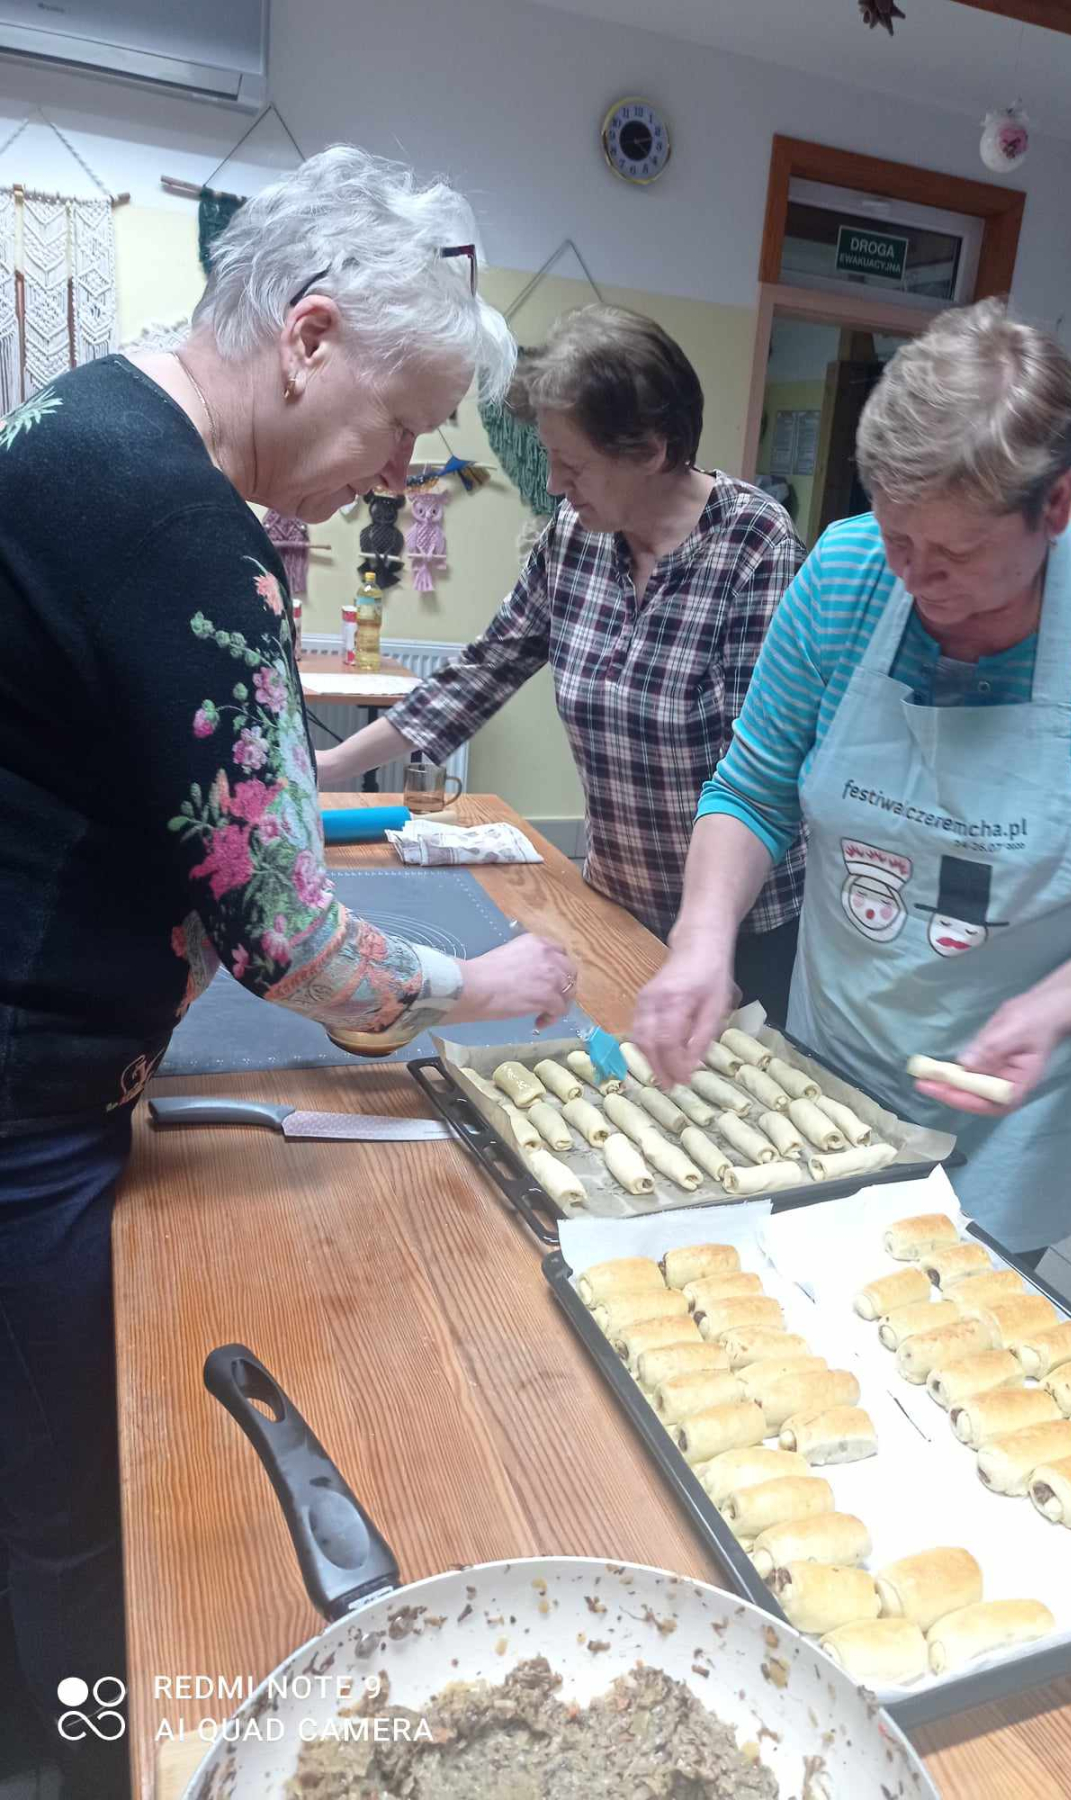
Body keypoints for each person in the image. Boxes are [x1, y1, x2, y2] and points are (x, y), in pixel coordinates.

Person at [0, 146, 575, 1796]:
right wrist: (486, 987)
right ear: (309, 337)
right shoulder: (185, 524)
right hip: (27, 1093)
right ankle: (91, 1762)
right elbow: (285, 932)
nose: (394, 474)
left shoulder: (76, 417)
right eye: (397, 426)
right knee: (75, 1506)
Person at [635, 298, 1071, 1262]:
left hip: (1013, 1110)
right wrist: (702, 939)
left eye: (959, 555)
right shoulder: (847, 574)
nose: (918, 581)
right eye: (899, 538)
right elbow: (752, 788)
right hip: (831, 1062)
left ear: (1055, 505)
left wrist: (1055, 1008)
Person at [318, 305, 806, 1021]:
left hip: (740, 927)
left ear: (652, 450)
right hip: (617, 894)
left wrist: (711, 945)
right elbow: (482, 672)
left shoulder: (755, 544)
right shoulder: (577, 534)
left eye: (573, 465)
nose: (552, 484)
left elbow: (759, 773)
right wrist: (329, 768)